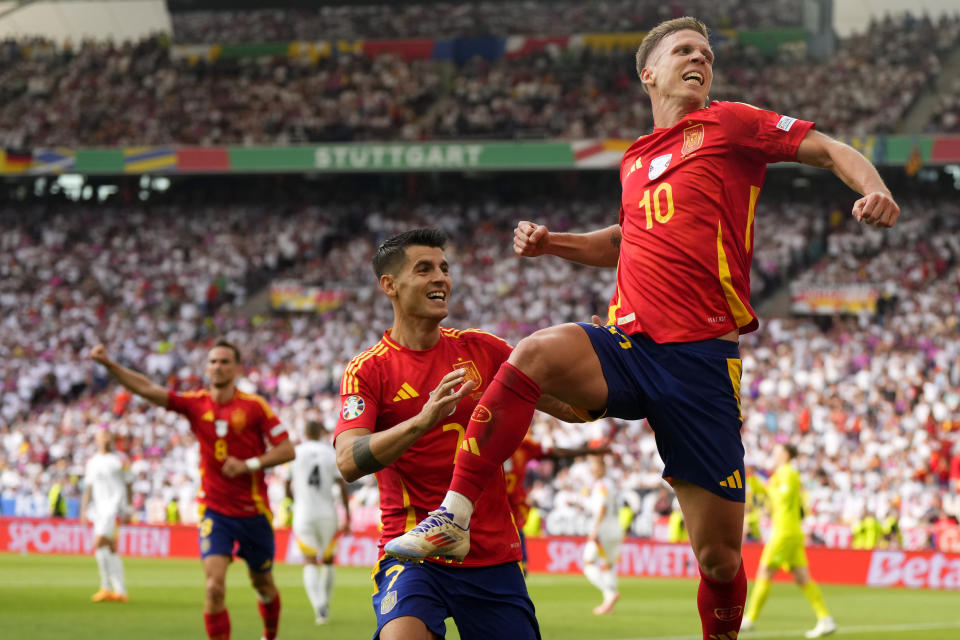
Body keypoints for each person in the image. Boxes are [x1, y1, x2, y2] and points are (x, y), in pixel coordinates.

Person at [385, 16, 899, 638]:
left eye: (706, 53)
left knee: (718, 558)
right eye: (684, 50)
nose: (699, 59)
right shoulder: (634, 159)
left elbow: (829, 149)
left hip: (701, 361)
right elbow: (625, 241)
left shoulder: (731, 123)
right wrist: (555, 244)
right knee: (535, 353)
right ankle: (455, 516)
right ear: (648, 73)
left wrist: (872, 187)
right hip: (630, 343)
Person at [334, 228, 582, 640]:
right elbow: (347, 461)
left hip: (492, 557)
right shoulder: (368, 369)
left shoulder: (485, 350)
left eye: (445, 268)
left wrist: (596, 368)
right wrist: (422, 419)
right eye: (425, 269)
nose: (441, 278)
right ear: (389, 285)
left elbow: (573, 410)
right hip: (413, 555)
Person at [89, 339, 295, 640]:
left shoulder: (254, 407)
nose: (218, 366)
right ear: (206, 367)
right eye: (213, 361)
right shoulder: (195, 403)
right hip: (215, 512)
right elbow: (147, 389)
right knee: (213, 589)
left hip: (254, 513)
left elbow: (287, 450)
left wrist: (249, 464)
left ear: (237, 368)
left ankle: (270, 635)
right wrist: (110, 365)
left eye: (225, 361)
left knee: (263, 585)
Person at [741, 444, 835, 637]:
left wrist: (769, 486)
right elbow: (770, 493)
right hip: (790, 531)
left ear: (785, 454)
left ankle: (750, 618)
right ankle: (825, 619)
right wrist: (754, 479)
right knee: (802, 577)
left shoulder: (787, 472)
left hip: (784, 531)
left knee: (765, 571)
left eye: (775, 452)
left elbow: (782, 497)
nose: (773, 454)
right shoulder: (780, 474)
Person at [505, 428, 609, 574]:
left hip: (513, 516)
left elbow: (556, 452)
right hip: (488, 513)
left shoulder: (525, 446)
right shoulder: (484, 438)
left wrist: (587, 451)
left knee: (520, 572)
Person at [289, 419, 350, 625]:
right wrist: (347, 515)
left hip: (303, 513)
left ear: (305, 432)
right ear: (320, 432)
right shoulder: (329, 453)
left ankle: (319, 606)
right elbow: (341, 485)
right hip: (327, 513)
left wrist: (291, 502)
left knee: (309, 560)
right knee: (328, 560)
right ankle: (325, 603)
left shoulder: (295, 453)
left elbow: (286, 483)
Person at [80, 426, 133, 603]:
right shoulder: (92, 461)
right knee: (105, 550)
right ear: (96, 439)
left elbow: (129, 484)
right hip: (98, 510)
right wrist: (83, 509)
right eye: (102, 437)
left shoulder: (120, 459)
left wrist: (129, 508)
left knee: (98, 543)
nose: (106, 440)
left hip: (115, 507)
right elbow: (88, 488)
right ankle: (113, 589)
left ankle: (112, 588)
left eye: (108, 436)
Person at [582, 455, 624, 615]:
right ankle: (609, 603)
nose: (592, 470)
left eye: (594, 466)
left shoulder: (601, 485)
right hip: (615, 528)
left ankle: (609, 593)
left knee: (589, 563)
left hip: (603, 531)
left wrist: (595, 530)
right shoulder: (610, 484)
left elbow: (601, 508)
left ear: (601, 468)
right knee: (608, 565)